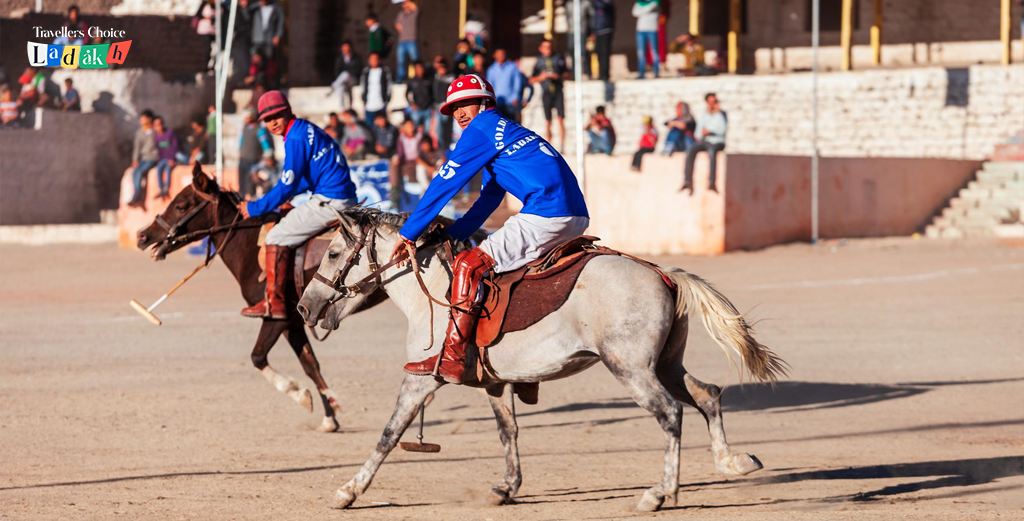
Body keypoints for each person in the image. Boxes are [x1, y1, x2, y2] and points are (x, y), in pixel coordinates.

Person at [387, 73, 589, 385]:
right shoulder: (504, 132)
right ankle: (524, 370)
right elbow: (489, 199)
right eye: (453, 109)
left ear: (484, 103)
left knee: (469, 264)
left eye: (464, 104)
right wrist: (454, 234)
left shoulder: (480, 129)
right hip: (576, 215)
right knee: (510, 273)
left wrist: (408, 233)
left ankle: (452, 357)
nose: (458, 113)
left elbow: (445, 182)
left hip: (547, 213)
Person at [237, 90, 358, 319]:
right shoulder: (303, 128)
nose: (273, 122)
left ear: (288, 112)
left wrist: (254, 208)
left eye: (277, 116)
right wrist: (288, 195)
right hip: (339, 194)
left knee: (276, 236)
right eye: (267, 118)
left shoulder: (294, 137)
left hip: (331, 199)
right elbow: (304, 177)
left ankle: (275, 303)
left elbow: (287, 183)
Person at [681, 93, 727, 194]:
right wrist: (703, 133)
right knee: (690, 150)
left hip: (717, 142)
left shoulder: (721, 114)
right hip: (705, 141)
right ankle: (687, 181)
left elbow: (722, 129)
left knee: (711, 152)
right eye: (711, 102)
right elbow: (697, 133)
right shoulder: (704, 115)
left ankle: (712, 182)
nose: (713, 104)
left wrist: (717, 114)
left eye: (715, 101)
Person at [530, 39, 570, 151]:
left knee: (560, 118)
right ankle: (549, 144)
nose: (548, 49)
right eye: (545, 47)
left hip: (558, 91)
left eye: (550, 47)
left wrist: (558, 76)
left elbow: (567, 73)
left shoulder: (558, 58)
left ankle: (562, 145)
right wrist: (541, 78)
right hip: (546, 92)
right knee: (548, 120)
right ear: (541, 48)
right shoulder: (539, 61)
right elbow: (531, 79)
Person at [239, 109, 274, 198]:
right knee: (242, 183)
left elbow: (266, 146)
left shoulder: (260, 130)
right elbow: (241, 141)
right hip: (243, 159)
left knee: (249, 185)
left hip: (252, 161)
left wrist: (267, 156)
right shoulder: (245, 128)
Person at [129, 110, 159, 208]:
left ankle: (136, 197)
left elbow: (162, 144)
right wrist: (135, 159)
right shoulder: (140, 132)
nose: (141, 120)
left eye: (144, 118)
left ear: (149, 119)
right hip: (143, 158)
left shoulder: (156, 131)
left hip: (153, 158)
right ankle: (136, 195)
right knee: (134, 172)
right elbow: (137, 147)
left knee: (141, 171)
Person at [247, 0, 284, 82]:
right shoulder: (256, 8)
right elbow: (247, 11)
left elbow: (280, 23)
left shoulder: (276, 8)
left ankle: (267, 81)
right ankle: (256, 79)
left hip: (269, 39)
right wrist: (257, 4)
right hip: (257, 38)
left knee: (268, 61)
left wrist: (277, 35)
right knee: (256, 60)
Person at [390, 119, 422, 206]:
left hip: (419, 161)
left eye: (411, 125)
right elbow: (400, 153)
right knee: (393, 164)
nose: (410, 128)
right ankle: (394, 191)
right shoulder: (401, 138)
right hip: (406, 163)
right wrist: (397, 159)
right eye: (408, 126)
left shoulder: (419, 136)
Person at [486, 49, 522, 121]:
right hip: (497, 102)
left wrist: (516, 96)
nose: (501, 56)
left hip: (510, 101)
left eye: (502, 54)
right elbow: (489, 85)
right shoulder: (491, 69)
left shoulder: (512, 67)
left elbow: (517, 82)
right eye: (499, 54)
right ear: (494, 56)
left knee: (511, 123)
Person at [430, 59, 456, 153]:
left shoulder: (451, 78)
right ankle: (441, 148)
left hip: (446, 105)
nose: (441, 70)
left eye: (442, 68)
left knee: (447, 127)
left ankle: (447, 146)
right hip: (437, 106)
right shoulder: (436, 77)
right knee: (439, 129)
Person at [360, 52, 392, 125]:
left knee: (381, 128)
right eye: (372, 59)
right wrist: (364, 101)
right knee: (370, 128)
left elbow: (389, 86)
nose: (374, 61)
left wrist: (386, 101)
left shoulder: (385, 70)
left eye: (376, 59)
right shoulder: (366, 71)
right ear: (369, 60)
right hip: (369, 106)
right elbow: (362, 86)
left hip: (381, 105)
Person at [329, 41, 362, 111]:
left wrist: (349, 72)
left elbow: (358, 70)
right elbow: (337, 71)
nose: (346, 51)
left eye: (347, 49)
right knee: (341, 86)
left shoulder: (356, 58)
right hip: (343, 81)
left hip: (353, 79)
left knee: (345, 74)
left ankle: (334, 85)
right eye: (344, 49)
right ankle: (342, 108)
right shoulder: (339, 59)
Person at [153, 116, 180, 199]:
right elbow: (159, 150)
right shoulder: (156, 137)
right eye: (157, 125)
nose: (159, 126)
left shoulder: (170, 132)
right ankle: (161, 189)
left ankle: (166, 189)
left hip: (171, 158)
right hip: (163, 159)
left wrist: (172, 159)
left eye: (160, 124)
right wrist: (160, 160)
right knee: (159, 169)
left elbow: (175, 146)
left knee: (168, 170)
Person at [564, 0, 593, 78]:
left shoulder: (586, 3)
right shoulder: (569, 4)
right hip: (571, 31)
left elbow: (591, 17)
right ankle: (574, 74)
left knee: (584, 52)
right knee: (572, 51)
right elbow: (567, 17)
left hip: (583, 31)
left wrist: (590, 31)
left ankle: (587, 72)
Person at [633, 0, 661, 79]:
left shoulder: (656, 2)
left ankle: (656, 72)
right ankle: (641, 73)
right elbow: (635, 13)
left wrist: (642, 10)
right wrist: (644, 10)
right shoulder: (639, 2)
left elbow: (648, 9)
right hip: (640, 30)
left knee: (654, 51)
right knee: (641, 52)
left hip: (652, 29)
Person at [394, 0, 420, 83]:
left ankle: (418, 76)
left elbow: (415, 8)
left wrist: (408, 2)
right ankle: (401, 78)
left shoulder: (413, 13)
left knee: (415, 60)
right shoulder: (401, 14)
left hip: (411, 40)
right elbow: (397, 24)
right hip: (402, 41)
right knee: (401, 61)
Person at [405, 61, 433, 132]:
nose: (420, 70)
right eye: (418, 68)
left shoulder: (428, 79)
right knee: (415, 129)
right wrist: (411, 104)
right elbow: (406, 94)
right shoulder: (412, 81)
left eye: (421, 68)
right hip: (417, 109)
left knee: (427, 130)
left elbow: (433, 93)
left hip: (427, 109)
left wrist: (432, 105)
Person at [591, 0, 615, 81]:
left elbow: (602, 5)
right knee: (599, 53)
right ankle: (601, 73)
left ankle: (605, 74)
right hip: (597, 31)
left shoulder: (608, 3)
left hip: (606, 30)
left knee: (605, 53)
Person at [193, 0, 218, 72]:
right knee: (208, 49)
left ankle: (213, 65)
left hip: (214, 31)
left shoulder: (218, 6)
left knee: (216, 49)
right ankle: (205, 67)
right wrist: (208, 17)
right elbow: (198, 15)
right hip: (205, 31)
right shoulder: (205, 4)